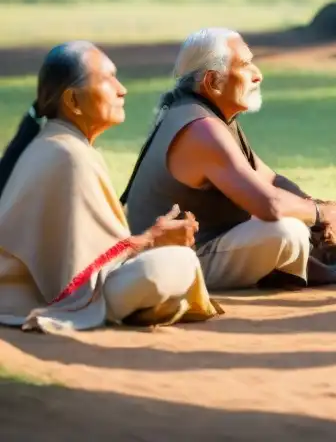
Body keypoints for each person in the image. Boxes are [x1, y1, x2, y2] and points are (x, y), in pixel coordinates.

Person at [0, 42, 220, 333]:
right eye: (108, 79)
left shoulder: (63, 145)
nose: (121, 89)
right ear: (73, 101)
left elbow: (88, 252)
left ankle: (143, 305)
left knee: (171, 262)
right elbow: (81, 273)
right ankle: (137, 307)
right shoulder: (68, 155)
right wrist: (152, 241)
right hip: (40, 300)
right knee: (174, 262)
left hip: (26, 296)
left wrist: (149, 239)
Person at [122, 28, 336, 291]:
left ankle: (295, 262)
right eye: (244, 65)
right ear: (211, 82)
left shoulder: (211, 117)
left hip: (192, 251)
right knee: (287, 231)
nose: (257, 74)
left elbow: (271, 179)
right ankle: (293, 263)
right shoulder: (202, 129)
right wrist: (321, 214)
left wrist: (313, 206)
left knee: (292, 220)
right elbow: (269, 204)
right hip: (170, 262)